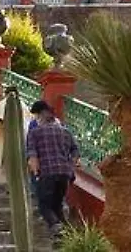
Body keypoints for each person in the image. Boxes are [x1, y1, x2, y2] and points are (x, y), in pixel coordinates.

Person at [26, 100, 80, 238]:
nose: (35, 119)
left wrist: (36, 172)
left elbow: (32, 156)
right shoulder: (65, 131)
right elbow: (75, 152)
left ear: (41, 115)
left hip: (47, 173)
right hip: (64, 174)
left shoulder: (35, 133)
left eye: (36, 116)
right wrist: (70, 166)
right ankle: (68, 236)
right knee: (57, 206)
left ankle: (57, 227)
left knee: (44, 206)